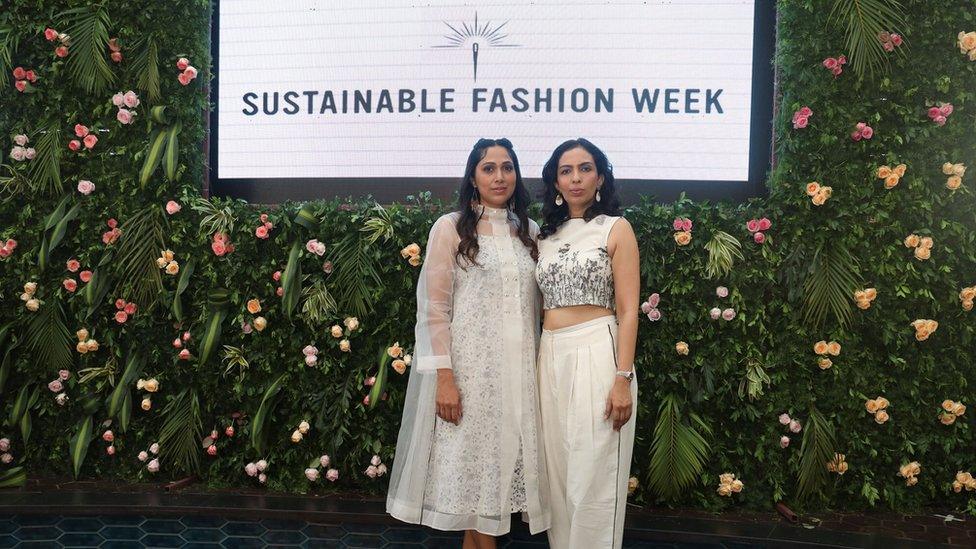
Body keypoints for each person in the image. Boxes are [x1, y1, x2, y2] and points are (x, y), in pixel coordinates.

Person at [387, 138, 550, 548]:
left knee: (489, 498)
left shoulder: (528, 232)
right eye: (489, 168)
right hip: (471, 379)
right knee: (478, 491)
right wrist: (445, 377)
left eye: (507, 167)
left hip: (519, 380)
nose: (500, 176)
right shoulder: (450, 227)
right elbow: (434, 310)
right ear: (473, 178)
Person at [535, 138, 639, 549]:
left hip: (599, 350)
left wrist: (622, 378)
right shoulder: (543, 237)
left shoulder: (615, 227)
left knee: (593, 472)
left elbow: (629, 310)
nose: (576, 178)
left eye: (585, 168)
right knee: (557, 471)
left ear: (600, 176)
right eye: (566, 170)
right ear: (556, 182)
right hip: (550, 353)